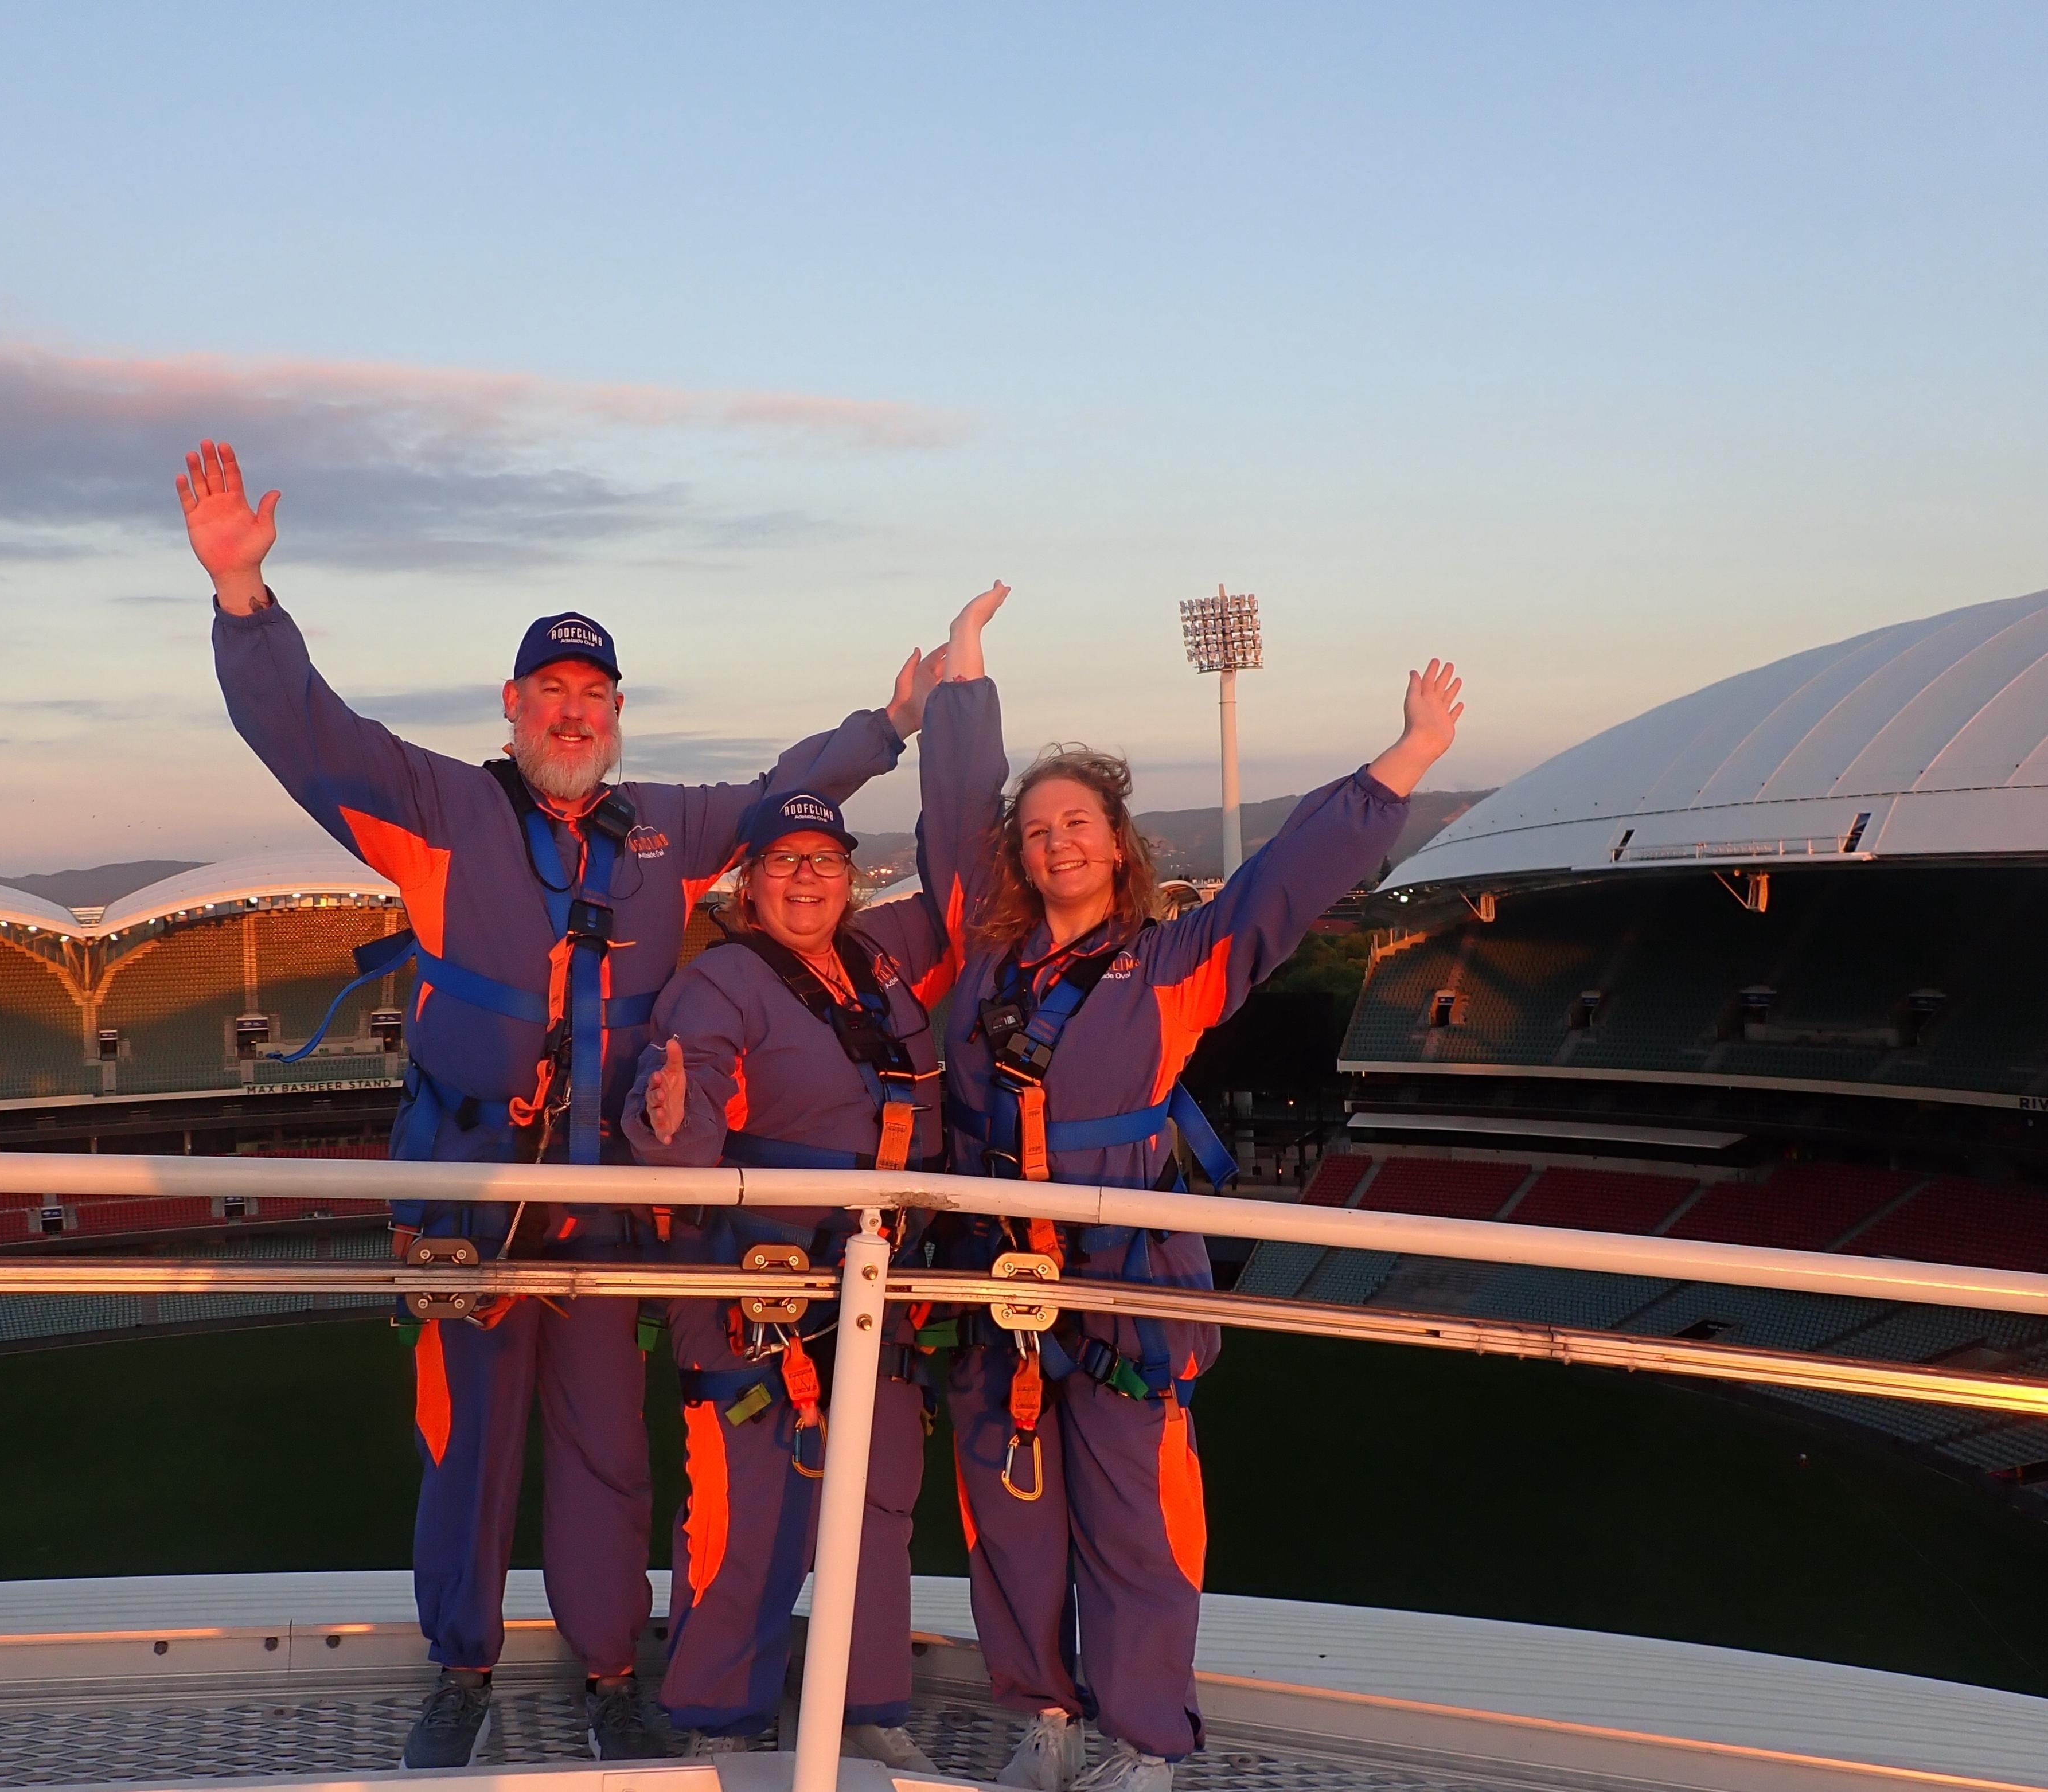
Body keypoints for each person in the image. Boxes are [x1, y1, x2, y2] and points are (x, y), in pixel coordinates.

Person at [179, 439, 947, 1766]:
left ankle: (607, 1669)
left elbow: (781, 795)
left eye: (595, 692)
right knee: (465, 1446)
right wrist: (245, 599)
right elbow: (306, 736)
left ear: (616, 711)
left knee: (606, 1454)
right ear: (513, 703)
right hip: (469, 1198)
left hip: (605, 1210)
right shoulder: (434, 807)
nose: (573, 712)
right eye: (552, 690)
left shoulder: (665, 828)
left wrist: (887, 728)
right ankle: (462, 1666)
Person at [921, 590, 1461, 1792]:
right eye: (1037, 828)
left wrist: (1406, 759)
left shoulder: (1171, 965)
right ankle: (1044, 1718)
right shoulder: (983, 963)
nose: (1056, 840)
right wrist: (963, 685)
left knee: (1135, 1528)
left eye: (1079, 823)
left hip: (1121, 1288)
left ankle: (1146, 1740)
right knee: (1010, 1521)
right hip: (994, 1284)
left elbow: (1283, 882)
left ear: (1120, 845)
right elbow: (955, 813)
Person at [618, 655, 994, 1763]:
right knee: (746, 1507)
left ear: (848, 875)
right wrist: (672, 1113)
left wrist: (958, 710)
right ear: (749, 886)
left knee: (877, 1505)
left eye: (824, 861)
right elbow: (682, 1132)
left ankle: (865, 1707)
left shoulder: (882, 963)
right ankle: (721, 1721)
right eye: (782, 862)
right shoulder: (719, 986)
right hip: (760, 1291)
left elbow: (965, 880)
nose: (804, 880)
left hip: (877, 1284)